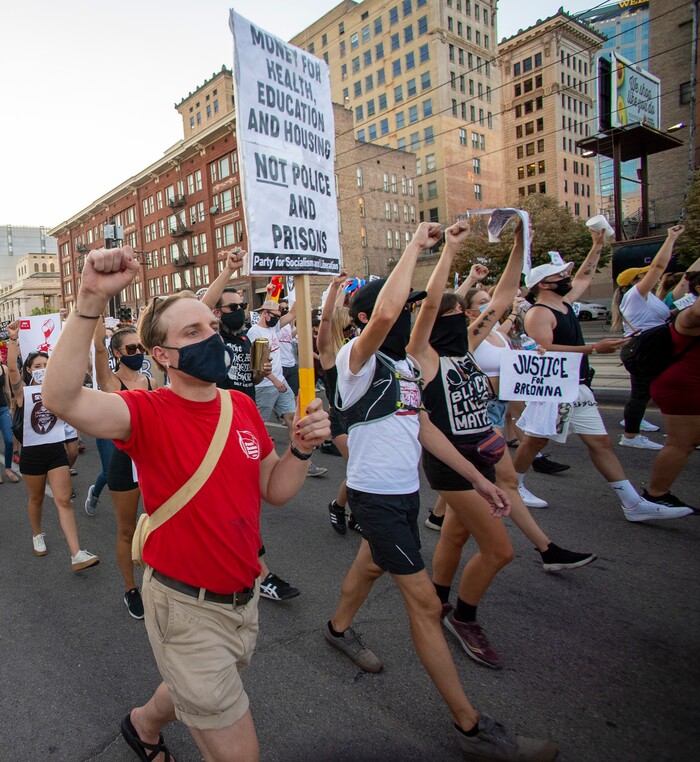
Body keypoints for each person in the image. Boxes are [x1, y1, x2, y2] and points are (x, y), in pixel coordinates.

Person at [42, 245, 330, 762]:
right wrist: (89, 299)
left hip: (243, 600)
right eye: (192, 333)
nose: (211, 339)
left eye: (212, 328)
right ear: (162, 355)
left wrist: (302, 450)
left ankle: (141, 725)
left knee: (188, 687)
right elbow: (62, 399)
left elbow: (277, 490)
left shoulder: (240, 405)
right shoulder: (146, 412)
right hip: (186, 607)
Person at [325, 223, 557, 761]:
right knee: (426, 605)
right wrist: (416, 246)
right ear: (365, 318)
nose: (408, 311)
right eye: (400, 303)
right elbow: (385, 315)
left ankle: (338, 628)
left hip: (405, 493)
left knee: (369, 567)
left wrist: (479, 479)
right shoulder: (355, 364)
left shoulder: (408, 365)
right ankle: (470, 727)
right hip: (374, 497)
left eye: (412, 304)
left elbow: (423, 427)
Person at [408, 220, 594, 670]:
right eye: (453, 317)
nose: (464, 321)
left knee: (454, 534)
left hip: (484, 457)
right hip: (453, 468)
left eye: (464, 317)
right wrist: (449, 251)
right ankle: (464, 619)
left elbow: (505, 298)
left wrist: (519, 242)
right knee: (500, 551)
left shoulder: (466, 349)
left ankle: (437, 599)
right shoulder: (424, 356)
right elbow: (433, 303)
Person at [512, 229, 693, 523]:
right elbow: (545, 348)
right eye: (560, 277)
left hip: (579, 388)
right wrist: (594, 348)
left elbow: (584, 275)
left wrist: (597, 245)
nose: (568, 279)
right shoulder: (538, 312)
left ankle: (632, 503)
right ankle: (514, 486)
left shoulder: (565, 302)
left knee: (601, 443)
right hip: (556, 390)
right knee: (534, 442)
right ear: (543, 284)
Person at [201, 249, 300, 602]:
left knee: (245, 500)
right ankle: (259, 573)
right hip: (215, 429)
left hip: (245, 421)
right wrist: (228, 270)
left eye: (242, 306)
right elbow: (202, 308)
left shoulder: (245, 339)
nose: (239, 312)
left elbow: (248, 377)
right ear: (215, 313)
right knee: (233, 502)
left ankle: (253, 569)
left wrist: (263, 371)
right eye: (231, 308)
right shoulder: (212, 339)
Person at [5, 323, 99, 570]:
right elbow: (12, 370)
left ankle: (76, 553)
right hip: (33, 455)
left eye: (46, 366)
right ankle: (37, 534)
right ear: (29, 370)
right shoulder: (23, 393)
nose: (42, 370)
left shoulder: (59, 392)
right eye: (37, 366)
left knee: (64, 500)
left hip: (56, 451)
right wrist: (13, 340)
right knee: (36, 498)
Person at [93, 319, 158, 619]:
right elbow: (96, 349)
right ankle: (131, 589)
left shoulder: (150, 382)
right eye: (131, 348)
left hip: (152, 460)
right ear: (117, 353)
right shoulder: (110, 382)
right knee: (128, 530)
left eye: (141, 347)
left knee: (160, 522)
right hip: (123, 464)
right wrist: (95, 313)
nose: (138, 352)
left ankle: (163, 578)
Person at [612, 226, 685, 450]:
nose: (651, 276)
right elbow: (659, 266)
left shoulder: (648, 299)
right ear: (635, 282)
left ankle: (634, 424)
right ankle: (631, 433)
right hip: (643, 348)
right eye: (644, 276)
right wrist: (671, 238)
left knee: (648, 392)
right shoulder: (635, 295)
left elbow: (662, 317)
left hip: (650, 347)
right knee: (645, 392)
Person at [248, 299, 327, 478]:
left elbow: (291, 314)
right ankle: (253, 463)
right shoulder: (255, 332)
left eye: (279, 316)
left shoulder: (272, 328)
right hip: (266, 386)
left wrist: (299, 293)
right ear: (265, 314)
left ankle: (302, 461)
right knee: (257, 426)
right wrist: (275, 380)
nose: (279, 319)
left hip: (280, 382)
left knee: (293, 418)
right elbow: (257, 364)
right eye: (275, 316)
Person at [646, 271, 700, 511]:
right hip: (683, 385)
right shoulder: (691, 314)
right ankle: (656, 494)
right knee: (681, 443)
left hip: (687, 382)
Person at [0, 359, 20, 483]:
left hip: (3, 408)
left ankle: (8, 469)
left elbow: (7, 389)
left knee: (9, 440)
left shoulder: (4, 368)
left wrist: (10, 407)